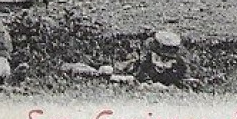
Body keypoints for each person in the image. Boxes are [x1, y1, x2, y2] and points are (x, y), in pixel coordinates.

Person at [61, 28, 192, 88]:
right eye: (159, 57)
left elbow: (183, 79)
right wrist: (152, 85)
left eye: (167, 59)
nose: (162, 63)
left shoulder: (179, 66)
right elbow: (142, 78)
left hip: (135, 76)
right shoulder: (146, 61)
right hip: (129, 71)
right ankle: (74, 67)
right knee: (105, 71)